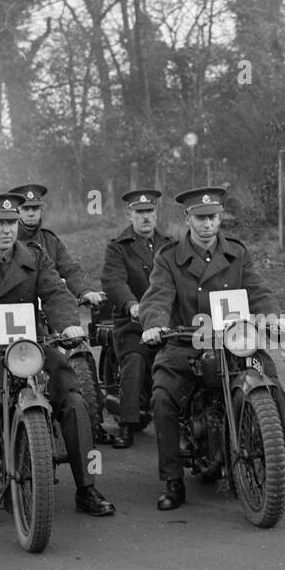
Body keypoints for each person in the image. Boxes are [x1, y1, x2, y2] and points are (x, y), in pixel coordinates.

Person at [0, 193, 116, 530]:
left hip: (34, 348)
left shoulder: (36, 257)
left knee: (74, 401)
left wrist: (68, 324)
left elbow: (55, 291)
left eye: (12, 223)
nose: (7, 230)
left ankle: (87, 488)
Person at [139, 186, 285, 511]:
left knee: (273, 386)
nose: (208, 224)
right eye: (201, 218)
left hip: (235, 342)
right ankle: (173, 480)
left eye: (213, 217)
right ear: (187, 218)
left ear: (220, 218)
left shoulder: (237, 252)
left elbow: (257, 289)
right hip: (187, 342)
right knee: (163, 396)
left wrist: (273, 318)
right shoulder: (168, 258)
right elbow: (158, 295)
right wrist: (154, 323)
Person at [100, 189, 173, 448]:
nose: (145, 218)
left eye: (150, 212)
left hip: (167, 321)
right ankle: (127, 425)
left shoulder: (170, 244)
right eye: (139, 213)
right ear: (129, 214)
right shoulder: (119, 247)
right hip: (133, 322)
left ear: (156, 213)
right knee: (135, 359)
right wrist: (132, 304)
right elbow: (113, 280)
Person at [8, 182, 105, 311]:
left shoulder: (50, 241)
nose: (31, 213)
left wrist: (85, 290)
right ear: (17, 211)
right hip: (15, 310)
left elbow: (70, 268)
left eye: (35, 208)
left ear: (41, 210)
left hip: (49, 310)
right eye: (25, 209)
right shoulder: (6, 241)